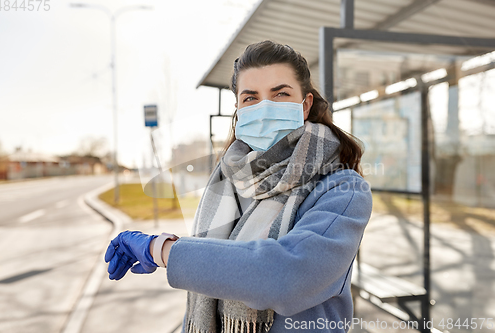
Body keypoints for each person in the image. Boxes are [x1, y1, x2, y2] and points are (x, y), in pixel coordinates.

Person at [104, 40, 372, 333]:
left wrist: (162, 250)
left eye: (280, 94)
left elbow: (286, 277)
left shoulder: (343, 188)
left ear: (305, 105)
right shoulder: (227, 179)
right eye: (251, 98)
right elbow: (207, 296)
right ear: (239, 109)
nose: (265, 108)